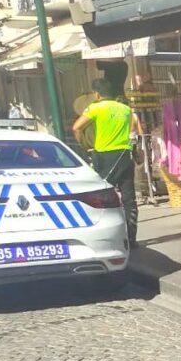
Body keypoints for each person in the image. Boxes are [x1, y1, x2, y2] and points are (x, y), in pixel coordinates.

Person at [72, 79, 142, 245]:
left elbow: (76, 127)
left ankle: (105, 237)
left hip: (103, 157)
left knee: (101, 197)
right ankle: (131, 238)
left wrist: (85, 146)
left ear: (96, 94)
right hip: (124, 156)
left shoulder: (95, 108)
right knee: (129, 199)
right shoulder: (126, 110)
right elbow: (134, 132)